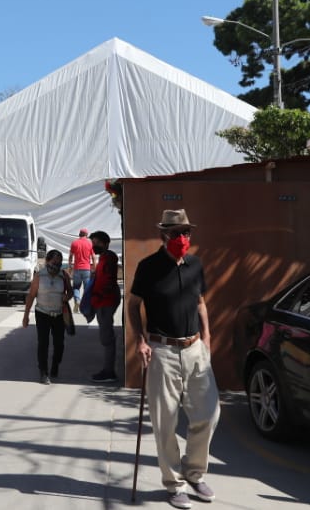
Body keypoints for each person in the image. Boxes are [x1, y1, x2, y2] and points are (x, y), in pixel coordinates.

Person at [127, 210, 220, 509]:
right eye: (177, 233)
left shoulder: (195, 265)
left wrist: (206, 338)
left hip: (195, 349)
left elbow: (201, 303)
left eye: (186, 232)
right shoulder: (148, 267)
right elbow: (133, 305)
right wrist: (140, 340)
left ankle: (194, 473)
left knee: (209, 414)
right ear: (163, 235)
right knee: (165, 422)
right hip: (162, 351)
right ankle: (174, 483)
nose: (183, 238)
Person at [22, 249, 73, 384]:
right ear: (47, 261)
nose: (56, 265)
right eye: (54, 262)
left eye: (59, 263)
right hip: (42, 313)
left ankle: (55, 364)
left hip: (59, 314)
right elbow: (31, 296)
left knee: (59, 344)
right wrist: (26, 316)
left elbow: (70, 291)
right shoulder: (39, 276)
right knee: (43, 344)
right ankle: (43, 372)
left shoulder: (64, 275)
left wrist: (67, 296)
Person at [88, 230, 122, 383]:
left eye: (97, 243)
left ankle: (109, 372)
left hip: (105, 302)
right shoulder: (103, 257)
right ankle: (108, 369)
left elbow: (108, 281)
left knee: (107, 338)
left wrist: (99, 295)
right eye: (93, 243)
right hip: (102, 301)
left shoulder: (109, 258)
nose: (94, 246)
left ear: (106, 243)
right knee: (106, 337)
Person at [68, 228, 94, 311]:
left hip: (77, 269)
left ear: (79, 234)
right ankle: (86, 305)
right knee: (87, 289)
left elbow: (70, 256)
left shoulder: (74, 243)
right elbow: (93, 257)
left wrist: (70, 266)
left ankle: (77, 300)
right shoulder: (89, 243)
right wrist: (94, 268)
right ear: (86, 235)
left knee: (76, 287)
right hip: (86, 269)